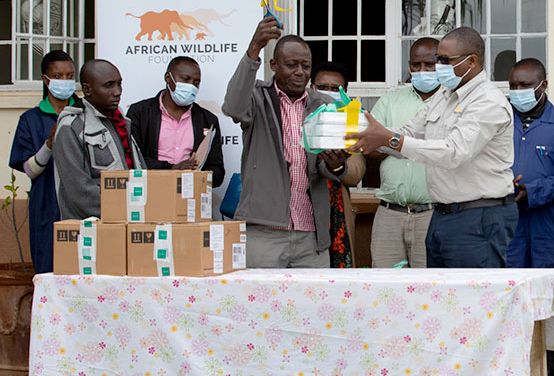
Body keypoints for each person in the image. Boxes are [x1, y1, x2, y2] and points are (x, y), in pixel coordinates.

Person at [347, 27, 517, 269]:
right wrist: (372, 136)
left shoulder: (488, 101)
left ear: (472, 61)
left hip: (479, 216)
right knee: (439, 298)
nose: (439, 66)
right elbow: (410, 132)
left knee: (472, 298)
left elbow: (453, 152)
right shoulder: (445, 95)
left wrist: (390, 139)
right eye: (439, 59)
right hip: (443, 215)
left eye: (446, 60)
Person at [222, 16, 349, 269]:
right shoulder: (257, 97)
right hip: (264, 231)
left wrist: (336, 165)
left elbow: (326, 167)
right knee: (260, 306)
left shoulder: (324, 105)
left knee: (314, 307)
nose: (300, 72)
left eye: (305, 65)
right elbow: (233, 107)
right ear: (273, 65)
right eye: (291, 65)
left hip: (311, 234)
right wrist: (254, 49)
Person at [507, 58, 554, 376]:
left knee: (551, 298)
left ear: (543, 85)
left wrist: (531, 192)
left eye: (525, 85)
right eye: (513, 86)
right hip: (508, 223)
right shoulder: (500, 122)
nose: (518, 92)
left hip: (551, 223)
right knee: (511, 296)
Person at [366, 38, 438, 269]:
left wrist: (390, 142)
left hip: (432, 213)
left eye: (429, 65)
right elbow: (369, 146)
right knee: (384, 288)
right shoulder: (390, 100)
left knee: (430, 289)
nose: (421, 71)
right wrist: (397, 143)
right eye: (416, 65)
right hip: (389, 212)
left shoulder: (451, 103)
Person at [8, 51, 78, 272]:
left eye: (70, 76)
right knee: (48, 269)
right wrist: (48, 145)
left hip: (81, 204)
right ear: (45, 80)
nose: (65, 82)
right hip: (47, 204)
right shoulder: (31, 119)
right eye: (58, 76)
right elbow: (29, 170)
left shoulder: (86, 113)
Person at [54, 60, 146, 220]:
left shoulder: (121, 121)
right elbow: (80, 191)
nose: (117, 92)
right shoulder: (71, 126)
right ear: (87, 90)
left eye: (119, 84)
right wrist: (122, 213)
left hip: (130, 220)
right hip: (92, 230)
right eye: (109, 85)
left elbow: (139, 171)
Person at [126, 56, 226, 188]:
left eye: (196, 83)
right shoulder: (140, 112)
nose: (191, 86)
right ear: (168, 77)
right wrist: (172, 169)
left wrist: (197, 173)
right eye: (185, 79)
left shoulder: (208, 120)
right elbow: (131, 160)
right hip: (148, 192)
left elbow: (218, 173)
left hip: (189, 198)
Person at [310, 61, 366, 268]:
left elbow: (356, 173)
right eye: (323, 87)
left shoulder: (351, 119)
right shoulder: (297, 114)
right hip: (299, 207)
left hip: (336, 208)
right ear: (311, 87)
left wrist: (339, 166)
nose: (328, 92)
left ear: (345, 92)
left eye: (335, 89)